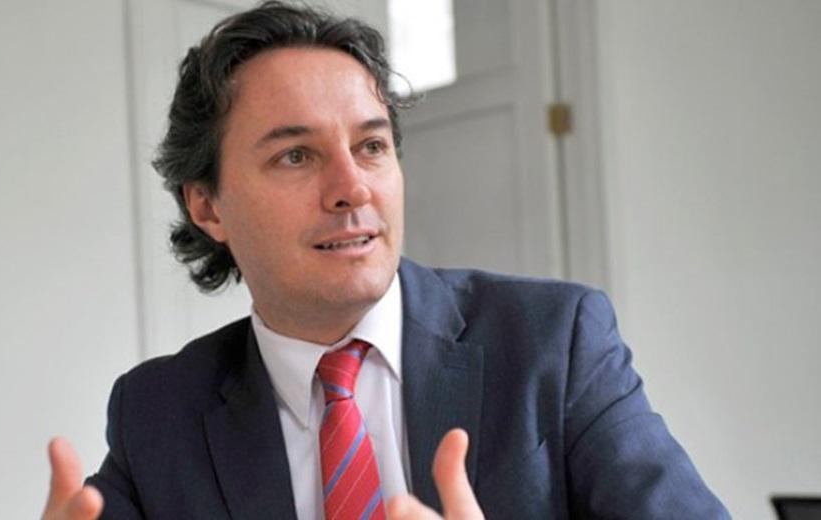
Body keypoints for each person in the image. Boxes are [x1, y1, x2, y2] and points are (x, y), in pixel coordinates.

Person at [42, 2, 730, 519]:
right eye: (296, 156)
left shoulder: (555, 342)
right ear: (207, 205)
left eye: (371, 147)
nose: (352, 188)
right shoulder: (159, 412)